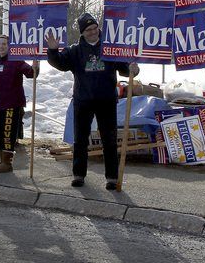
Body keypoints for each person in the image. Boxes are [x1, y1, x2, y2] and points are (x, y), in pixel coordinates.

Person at [46, 13, 139, 190]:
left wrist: (133, 69)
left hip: (106, 101)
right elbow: (60, 64)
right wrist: (53, 50)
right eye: (88, 30)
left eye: (95, 28)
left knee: (109, 139)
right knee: (80, 139)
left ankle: (112, 177)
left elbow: (125, 69)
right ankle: (78, 174)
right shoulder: (75, 51)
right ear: (82, 33)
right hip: (83, 100)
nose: (93, 32)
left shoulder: (110, 48)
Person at [0, 35, 38, 173]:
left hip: (12, 104)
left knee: (8, 133)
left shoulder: (17, 60)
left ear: (9, 45)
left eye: (4, 44)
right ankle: (2, 159)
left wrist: (35, 67)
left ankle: (8, 163)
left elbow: (30, 73)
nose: (1, 46)